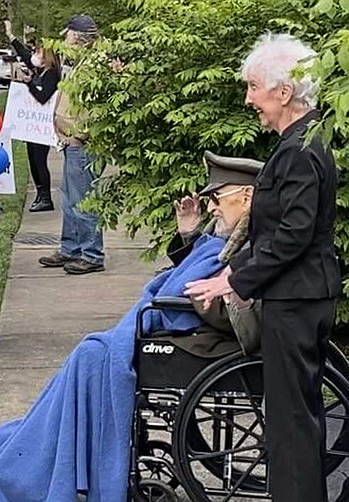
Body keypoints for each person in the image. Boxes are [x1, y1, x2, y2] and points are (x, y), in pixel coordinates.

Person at [0, 152, 261, 501]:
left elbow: (213, 298)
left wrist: (196, 294)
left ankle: (42, 458)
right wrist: (189, 234)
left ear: (246, 195)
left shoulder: (258, 245)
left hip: (201, 339)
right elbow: (197, 268)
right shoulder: (236, 237)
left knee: (91, 354)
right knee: (90, 352)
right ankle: (41, 445)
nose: (212, 207)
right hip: (183, 329)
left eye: (216, 198)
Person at [185, 33, 341, 502]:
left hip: (296, 299)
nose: (249, 98)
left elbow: (291, 236)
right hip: (301, 293)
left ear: (284, 92)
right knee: (297, 418)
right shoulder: (301, 141)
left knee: (291, 425)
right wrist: (231, 274)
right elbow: (277, 235)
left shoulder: (299, 150)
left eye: (254, 87)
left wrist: (236, 281)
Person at [38, 15, 104, 274]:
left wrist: (80, 133)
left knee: (84, 200)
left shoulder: (94, 67)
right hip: (71, 142)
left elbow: (96, 110)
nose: (65, 39)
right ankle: (71, 248)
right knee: (69, 199)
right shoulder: (80, 63)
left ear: (77, 37)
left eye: (68, 35)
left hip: (83, 144)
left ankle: (92, 254)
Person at [5, 20, 61, 213]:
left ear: (47, 55)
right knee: (32, 161)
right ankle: (39, 194)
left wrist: (28, 83)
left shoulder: (52, 74)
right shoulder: (41, 71)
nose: (35, 55)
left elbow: (43, 97)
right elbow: (25, 56)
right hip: (32, 127)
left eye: (39, 52)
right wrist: (11, 37)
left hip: (42, 128)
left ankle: (46, 197)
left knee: (40, 161)